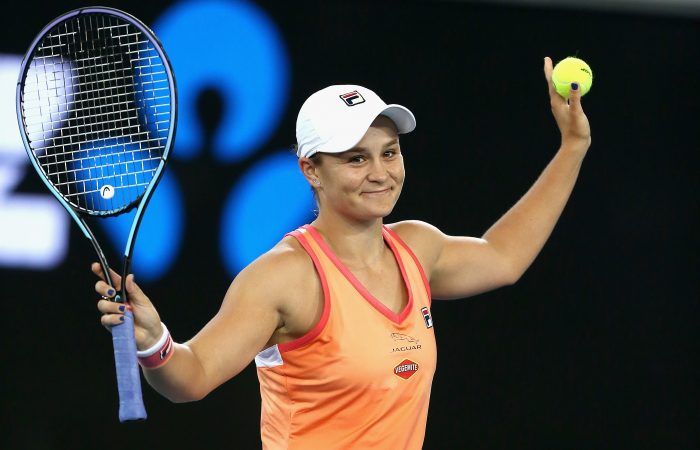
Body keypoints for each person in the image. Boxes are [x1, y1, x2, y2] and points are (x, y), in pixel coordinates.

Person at [95, 56, 591, 449]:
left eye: (389, 152)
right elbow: (193, 376)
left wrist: (571, 146)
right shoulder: (283, 278)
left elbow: (503, 257)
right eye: (356, 158)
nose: (380, 173)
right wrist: (154, 340)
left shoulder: (418, 246)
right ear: (311, 170)